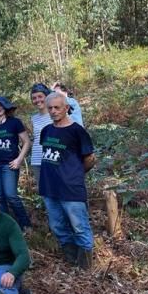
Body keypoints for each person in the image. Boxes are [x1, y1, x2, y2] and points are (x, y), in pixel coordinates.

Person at [40, 92, 96, 269]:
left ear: (66, 108)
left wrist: (76, 174)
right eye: (50, 108)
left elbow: (89, 158)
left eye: (57, 107)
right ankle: (71, 261)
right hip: (49, 187)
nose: (54, 111)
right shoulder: (46, 130)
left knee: (79, 227)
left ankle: (85, 267)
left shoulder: (77, 131)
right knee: (57, 226)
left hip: (71, 188)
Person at [0, 96, 32, 230]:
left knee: (11, 195)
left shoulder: (14, 123)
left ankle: (25, 225)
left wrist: (19, 159)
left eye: (0, 106)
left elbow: (26, 142)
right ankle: (7, 226)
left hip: (9, 165)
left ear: (6, 108)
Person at [28, 83, 53, 190]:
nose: (37, 100)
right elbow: (35, 138)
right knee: (44, 191)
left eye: (40, 96)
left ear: (47, 96)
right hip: (36, 159)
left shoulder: (55, 114)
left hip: (52, 159)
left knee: (56, 190)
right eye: (34, 98)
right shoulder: (33, 118)